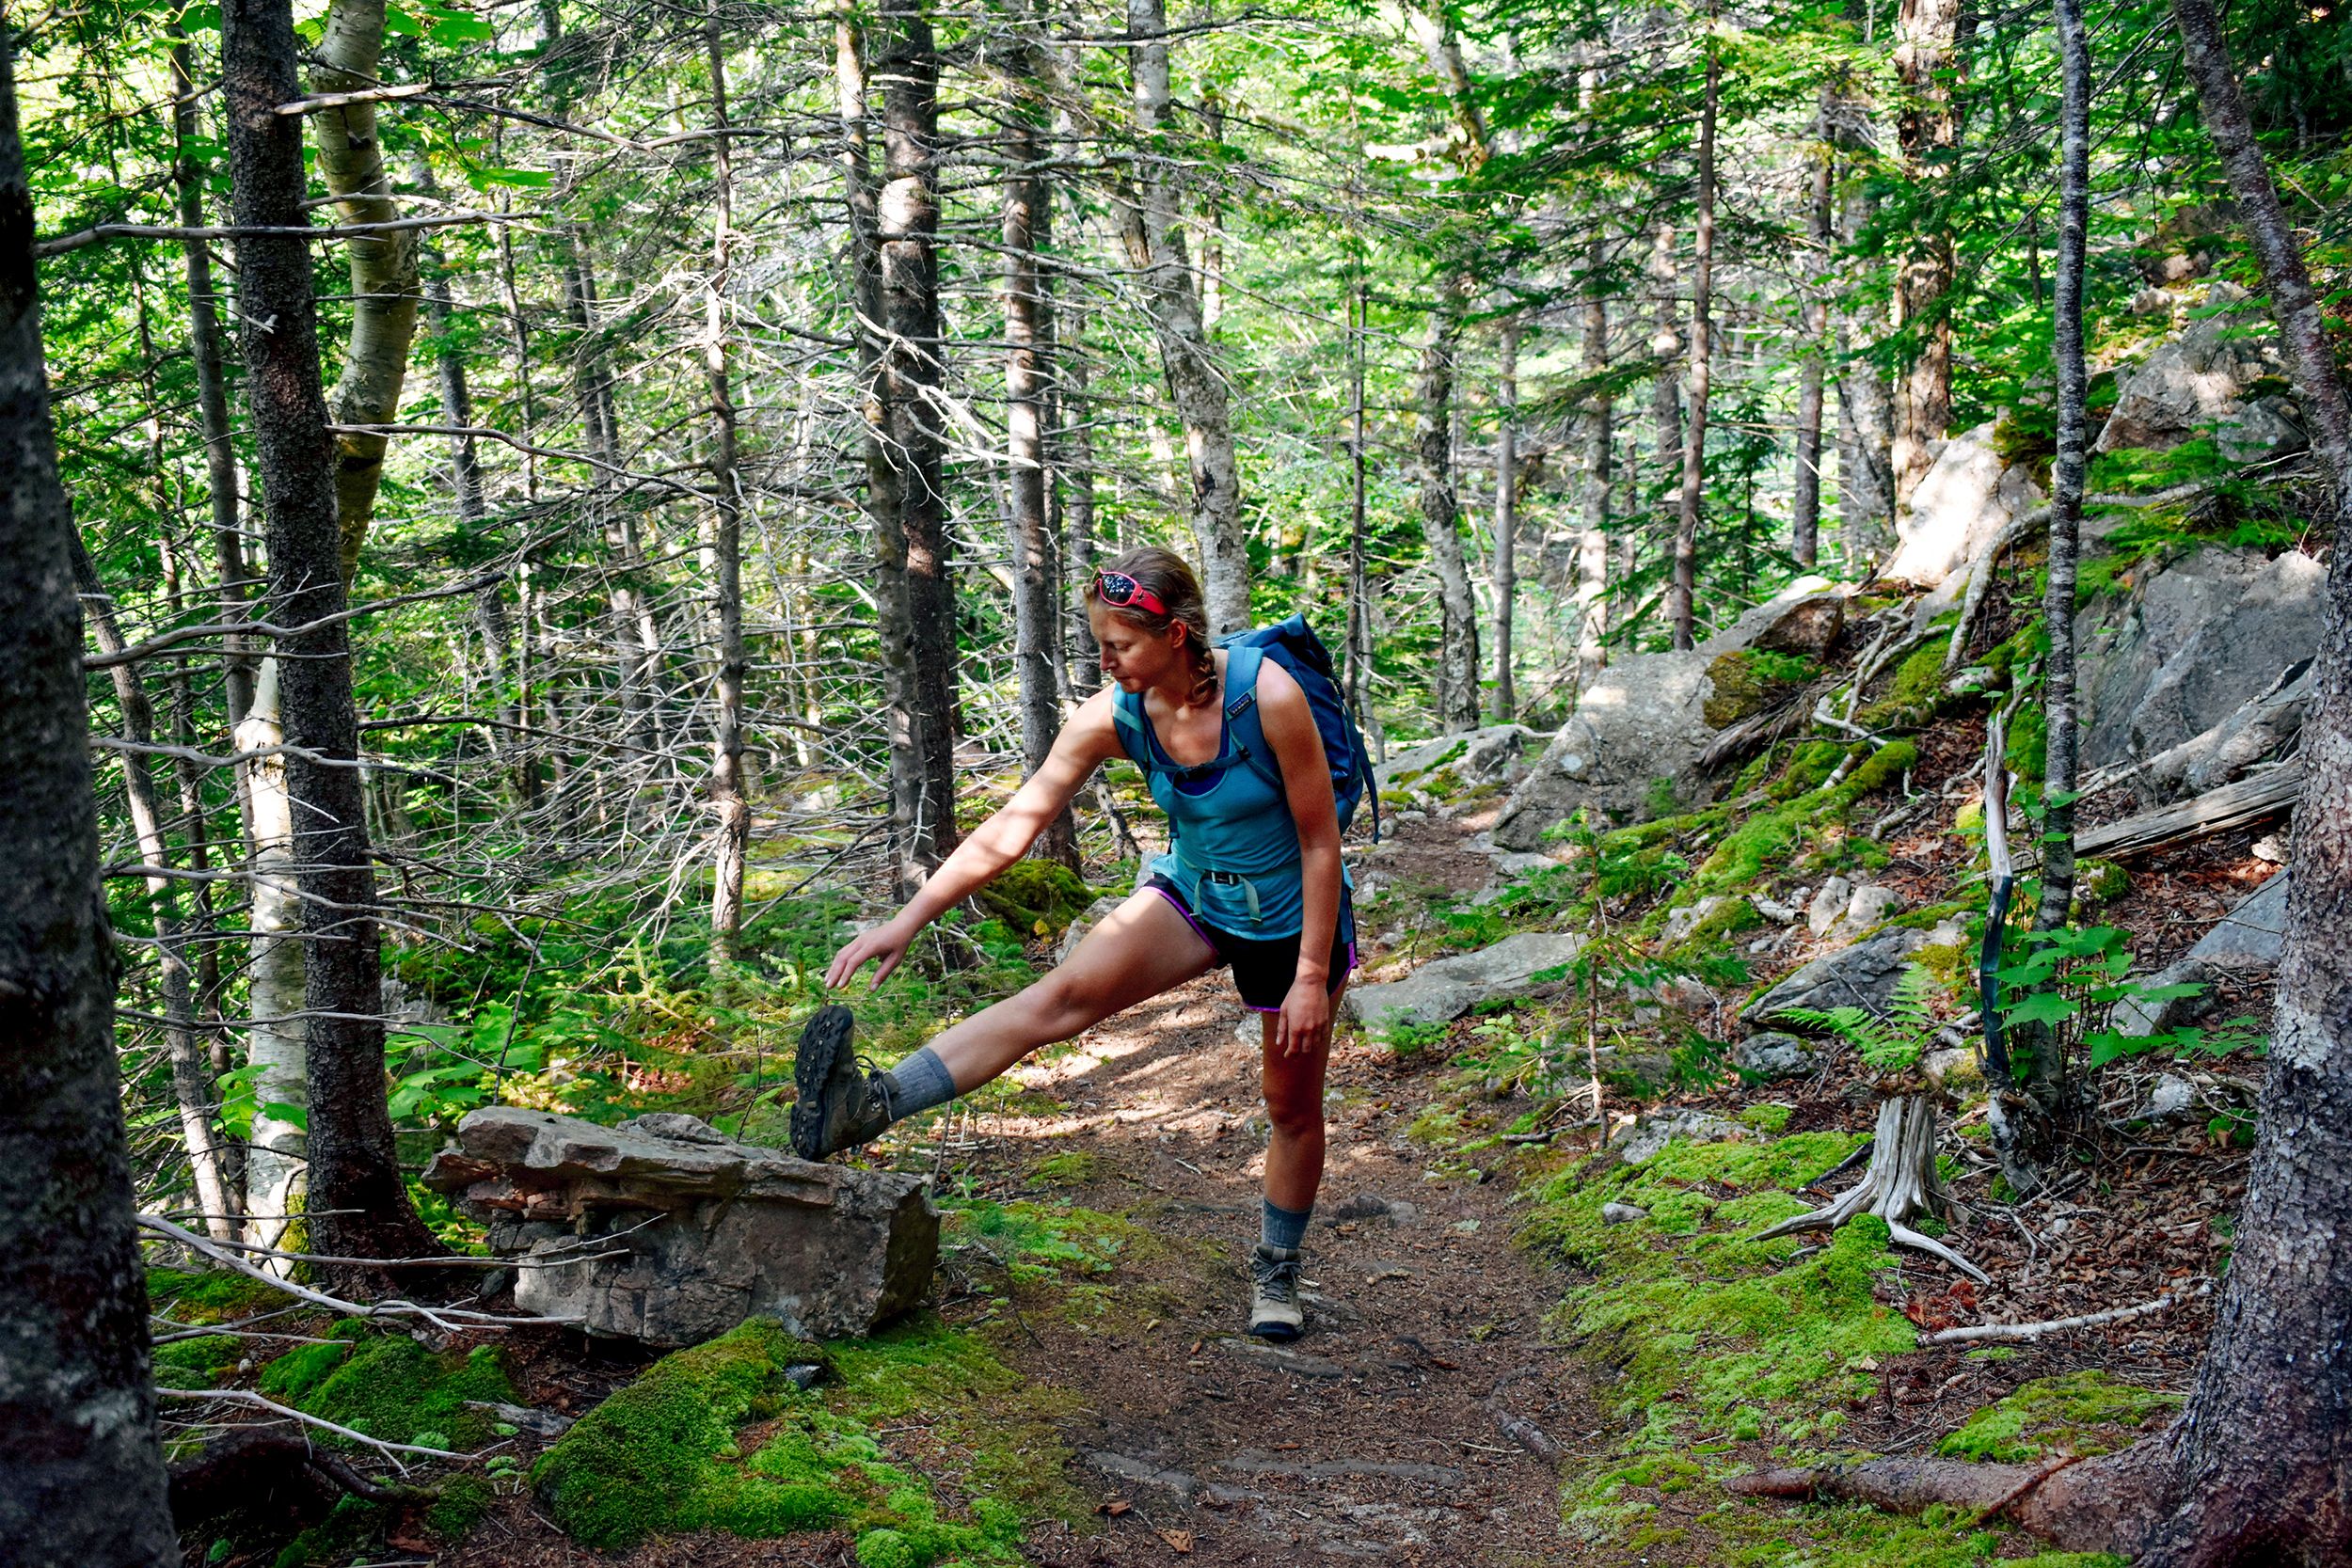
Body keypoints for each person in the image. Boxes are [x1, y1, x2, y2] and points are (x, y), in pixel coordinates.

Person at [794, 546, 1356, 1341]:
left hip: (1294, 920)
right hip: (1194, 895)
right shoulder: (1114, 714)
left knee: (1289, 1104)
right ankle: (867, 1104)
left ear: (1177, 636)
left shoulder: (1266, 697)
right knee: (1054, 998)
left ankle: (1277, 1272)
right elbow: (1016, 824)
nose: (1104, 660)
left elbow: (1320, 844)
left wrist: (1306, 976)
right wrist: (909, 916)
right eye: (1098, 642)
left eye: (1118, 644)